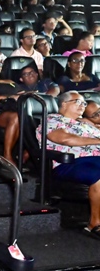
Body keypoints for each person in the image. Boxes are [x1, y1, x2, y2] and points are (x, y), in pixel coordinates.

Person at [40, 91, 100, 239]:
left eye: (84, 103)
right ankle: (94, 223)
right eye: (78, 102)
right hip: (70, 163)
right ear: (64, 104)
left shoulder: (84, 123)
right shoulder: (52, 120)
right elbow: (65, 139)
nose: (83, 106)